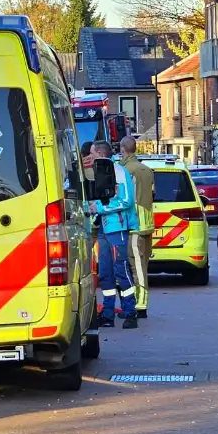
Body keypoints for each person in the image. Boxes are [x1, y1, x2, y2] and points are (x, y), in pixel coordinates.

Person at [85, 141, 138, 329]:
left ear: (100, 153)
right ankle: (108, 314)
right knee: (105, 273)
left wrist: (98, 207)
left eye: (91, 154)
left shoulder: (119, 173)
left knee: (121, 270)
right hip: (104, 229)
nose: (89, 158)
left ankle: (131, 312)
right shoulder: (102, 173)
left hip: (117, 228)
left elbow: (126, 201)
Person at [118, 136, 154, 319]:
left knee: (136, 267)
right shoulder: (147, 170)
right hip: (147, 225)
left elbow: (125, 199)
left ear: (123, 149)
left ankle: (140, 305)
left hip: (134, 227)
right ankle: (139, 302)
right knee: (143, 265)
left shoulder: (124, 170)